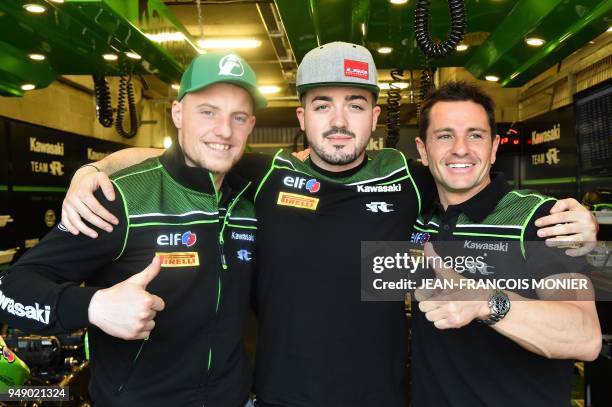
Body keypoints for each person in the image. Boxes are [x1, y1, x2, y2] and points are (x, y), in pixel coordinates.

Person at [59, 43, 598, 407]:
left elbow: (476, 189)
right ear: (301, 116)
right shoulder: (267, 173)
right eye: (323, 105)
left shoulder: (411, 180)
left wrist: (578, 220)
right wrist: (92, 170)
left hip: (384, 397)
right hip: (277, 395)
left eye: (355, 105)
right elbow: (180, 154)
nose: (339, 121)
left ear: (375, 115)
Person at [0, 51, 265, 407]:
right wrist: (94, 306)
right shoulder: (120, 198)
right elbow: (10, 289)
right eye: (208, 111)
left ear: (250, 124)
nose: (223, 130)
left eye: (238, 117)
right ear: (177, 113)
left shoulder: (251, 197)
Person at [410, 81, 601, 406]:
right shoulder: (417, 211)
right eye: (444, 135)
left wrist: (486, 300)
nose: (460, 148)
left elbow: (585, 335)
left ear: (494, 147)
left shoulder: (540, 219)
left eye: (475, 135)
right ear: (422, 150)